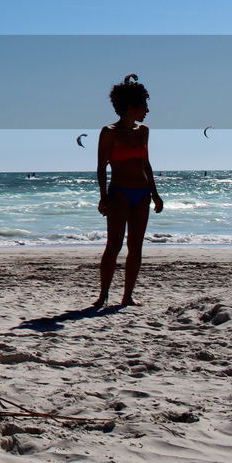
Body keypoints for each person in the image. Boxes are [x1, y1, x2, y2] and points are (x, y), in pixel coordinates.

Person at [94, 77, 163, 308]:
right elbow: (101, 166)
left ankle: (127, 296)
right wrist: (103, 197)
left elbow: (147, 164)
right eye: (144, 105)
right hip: (119, 193)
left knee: (136, 246)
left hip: (141, 194)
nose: (148, 110)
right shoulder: (109, 132)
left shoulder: (143, 131)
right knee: (114, 245)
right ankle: (103, 295)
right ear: (131, 107)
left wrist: (155, 193)